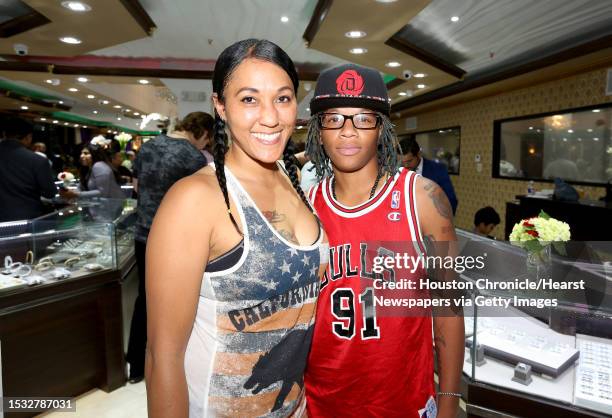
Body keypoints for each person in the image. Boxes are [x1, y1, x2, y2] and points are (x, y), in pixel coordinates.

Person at [145, 39, 327, 418]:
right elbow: (162, 356)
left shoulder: (294, 181)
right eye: (248, 99)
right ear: (220, 106)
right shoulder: (193, 200)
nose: (270, 117)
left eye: (282, 98)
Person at [304, 63, 464, 418]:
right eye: (334, 119)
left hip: (404, 403)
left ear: (382, 128)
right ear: (319, 130)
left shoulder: (422, 199)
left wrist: (449, 401)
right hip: (321, 403)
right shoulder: (305, 208)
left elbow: (449, 308)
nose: (348, 132)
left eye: (363, 118)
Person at [125, 111, 212, 384]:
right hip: (177, 240)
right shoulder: (193, 157)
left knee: (145, 298)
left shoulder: (148, 146)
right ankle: (172, 363)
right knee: (180, 303)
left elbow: (136, 187)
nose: (205, 146)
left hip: (143, 235)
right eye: (207, 140)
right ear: (201, 133)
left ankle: (136, 364)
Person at [0, 118, 63, 221]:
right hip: (28, 219)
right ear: (28, 137)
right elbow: (50, 192)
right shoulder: (38, 160)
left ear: (4, 134)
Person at [400, 137, 458, 215]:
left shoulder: (438, 169)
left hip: (432, 219)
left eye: (409, 161)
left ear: (418, 154)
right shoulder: (397, 171)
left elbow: (451, 200)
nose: (405, 166)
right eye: (402, 162)